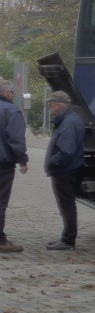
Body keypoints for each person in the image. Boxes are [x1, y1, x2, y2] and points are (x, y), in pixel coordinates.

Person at [44, 90, 85, 250]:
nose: (49, 108)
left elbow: (66, 151)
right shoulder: (70, 119)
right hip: (68, 169)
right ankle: (67, 237)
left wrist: (52, 162)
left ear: (57, 105)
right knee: (67, 205)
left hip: (65, 171)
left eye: (50, 105)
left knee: (66, 206)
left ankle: (68, 240)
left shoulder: (68, 123)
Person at [0, 78, 30, 253]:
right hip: (3, 164)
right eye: (11, 93)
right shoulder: (11, 111)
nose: (12, 95)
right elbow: (16, 139)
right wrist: (23, 160)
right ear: (7, 93)